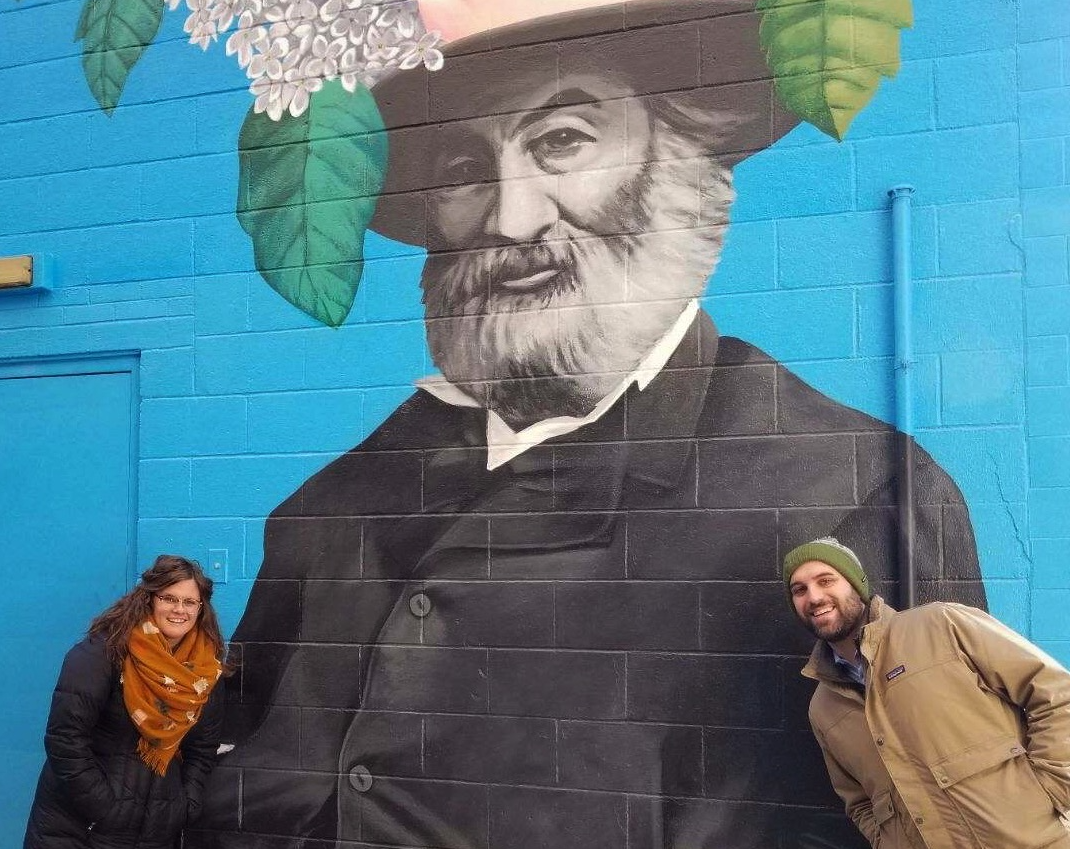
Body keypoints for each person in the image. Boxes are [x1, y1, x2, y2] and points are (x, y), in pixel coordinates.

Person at [191, 2, 986, 848]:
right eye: (463, 166)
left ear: (682, 153)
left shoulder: (858, 488)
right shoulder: (332, 507)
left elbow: (946, 805)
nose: (514, 217)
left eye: (561, 140)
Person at [785, 536, 1070, 849]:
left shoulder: (941, 625)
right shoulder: (823, 708)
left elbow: (1055, 694)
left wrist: (1054, 791)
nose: (813, 597)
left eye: (826, 580)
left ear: (857, 584)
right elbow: (859, 803)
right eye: (799, 589)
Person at [23, 555, 227, 849]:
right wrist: (104, 807)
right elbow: (65, 739)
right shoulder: (102, 654)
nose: (179, 610)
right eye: (168, 598)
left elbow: (202, 750)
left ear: (201, 608)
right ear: (149, 599)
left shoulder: (205, 672)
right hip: (79, 829)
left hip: (154, 830)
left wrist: (184, 805)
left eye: (189, 602)